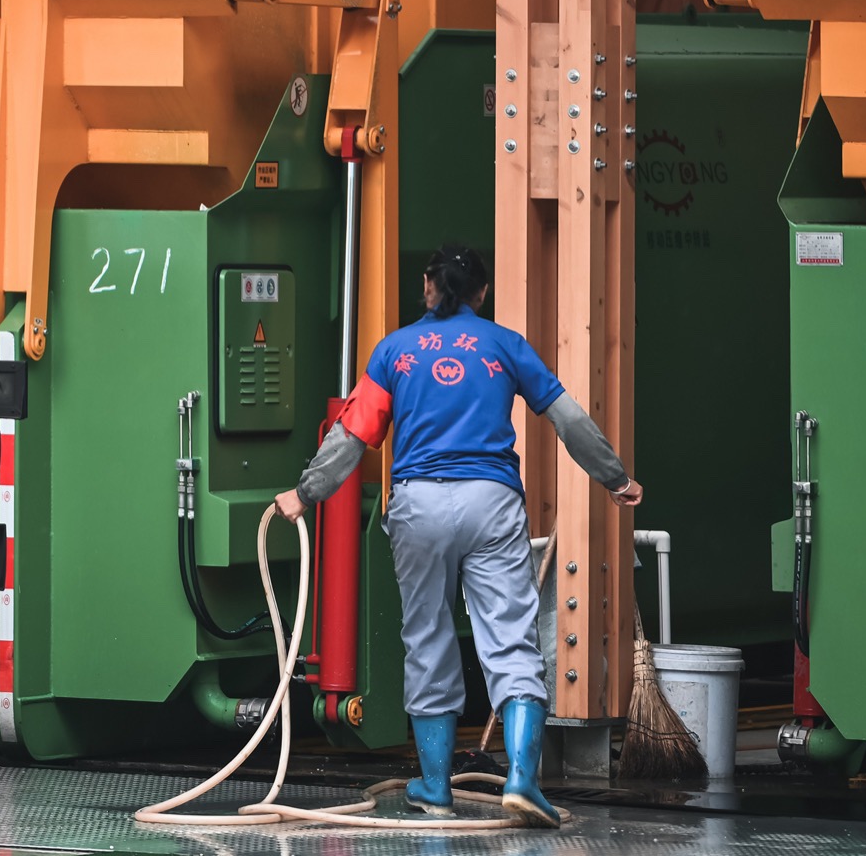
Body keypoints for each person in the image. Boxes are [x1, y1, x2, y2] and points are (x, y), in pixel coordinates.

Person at [274, 245, 641, 829]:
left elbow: (351, 434)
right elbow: (569, 418)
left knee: (427, 637)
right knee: (510, 639)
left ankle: (436, 786)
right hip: (491, 503)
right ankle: (521, 778)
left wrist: (306, 493)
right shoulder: (504, 344)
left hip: (419, 504)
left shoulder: (394, 350)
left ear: (426, 286)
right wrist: (615, 479)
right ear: (482, 293)